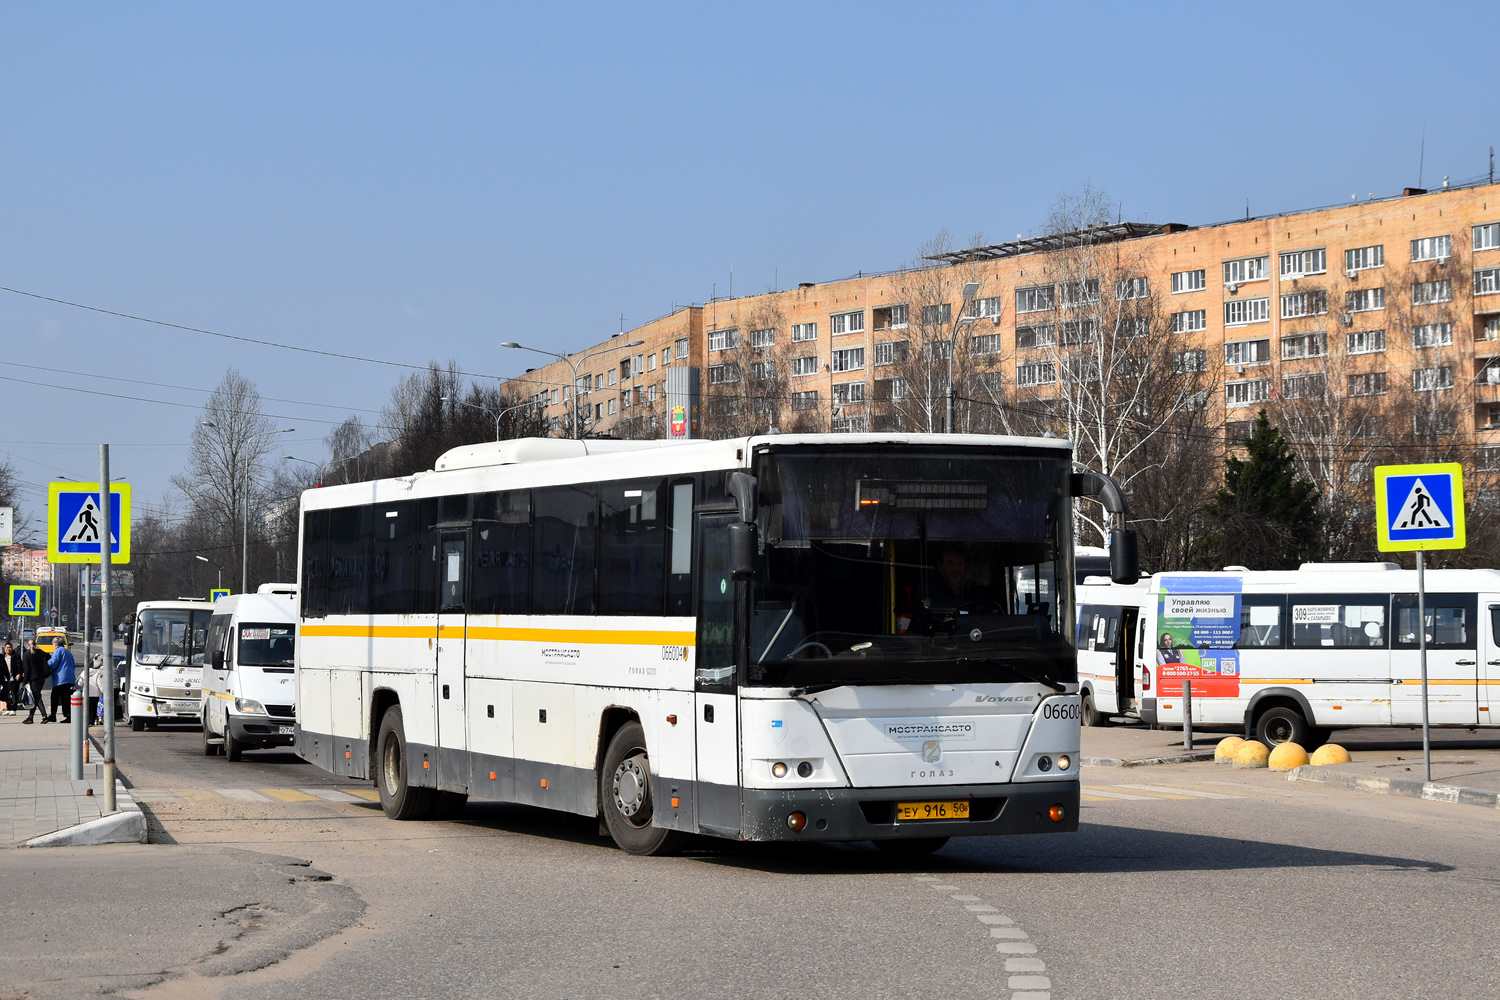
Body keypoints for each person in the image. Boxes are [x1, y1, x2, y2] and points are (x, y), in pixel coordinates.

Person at [46, 638, 76, 724]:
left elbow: (53, 663)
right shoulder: (68, 652)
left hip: (60, 678)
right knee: (66, 698)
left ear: (55, 644)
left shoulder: (58, 651)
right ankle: (68, 715)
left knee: (54, 697)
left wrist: (46, 663)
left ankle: (53, 715)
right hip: (69, 677)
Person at [22, 638, 51, 724]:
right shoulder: (40, 652)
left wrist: (24, 681)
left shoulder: (27, 654)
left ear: (28, 645)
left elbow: (26, 670)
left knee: (37, 697)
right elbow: (49, 656)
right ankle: (30, 717)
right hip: (41, 678)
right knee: (34, 697)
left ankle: (44, 716)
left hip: (33, 679)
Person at [0, 641, 20, 715]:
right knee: (6, 694)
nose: (8, 649)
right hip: (5, 679)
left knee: (14, 694)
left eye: (10, 647)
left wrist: (19, 674)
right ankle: (8, 708)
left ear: (12, 648)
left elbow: (19, 666)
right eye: (7, 648)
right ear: (5, 649)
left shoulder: (15, 656)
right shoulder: (3, 657)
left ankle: (13, 709)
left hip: (13, 678)